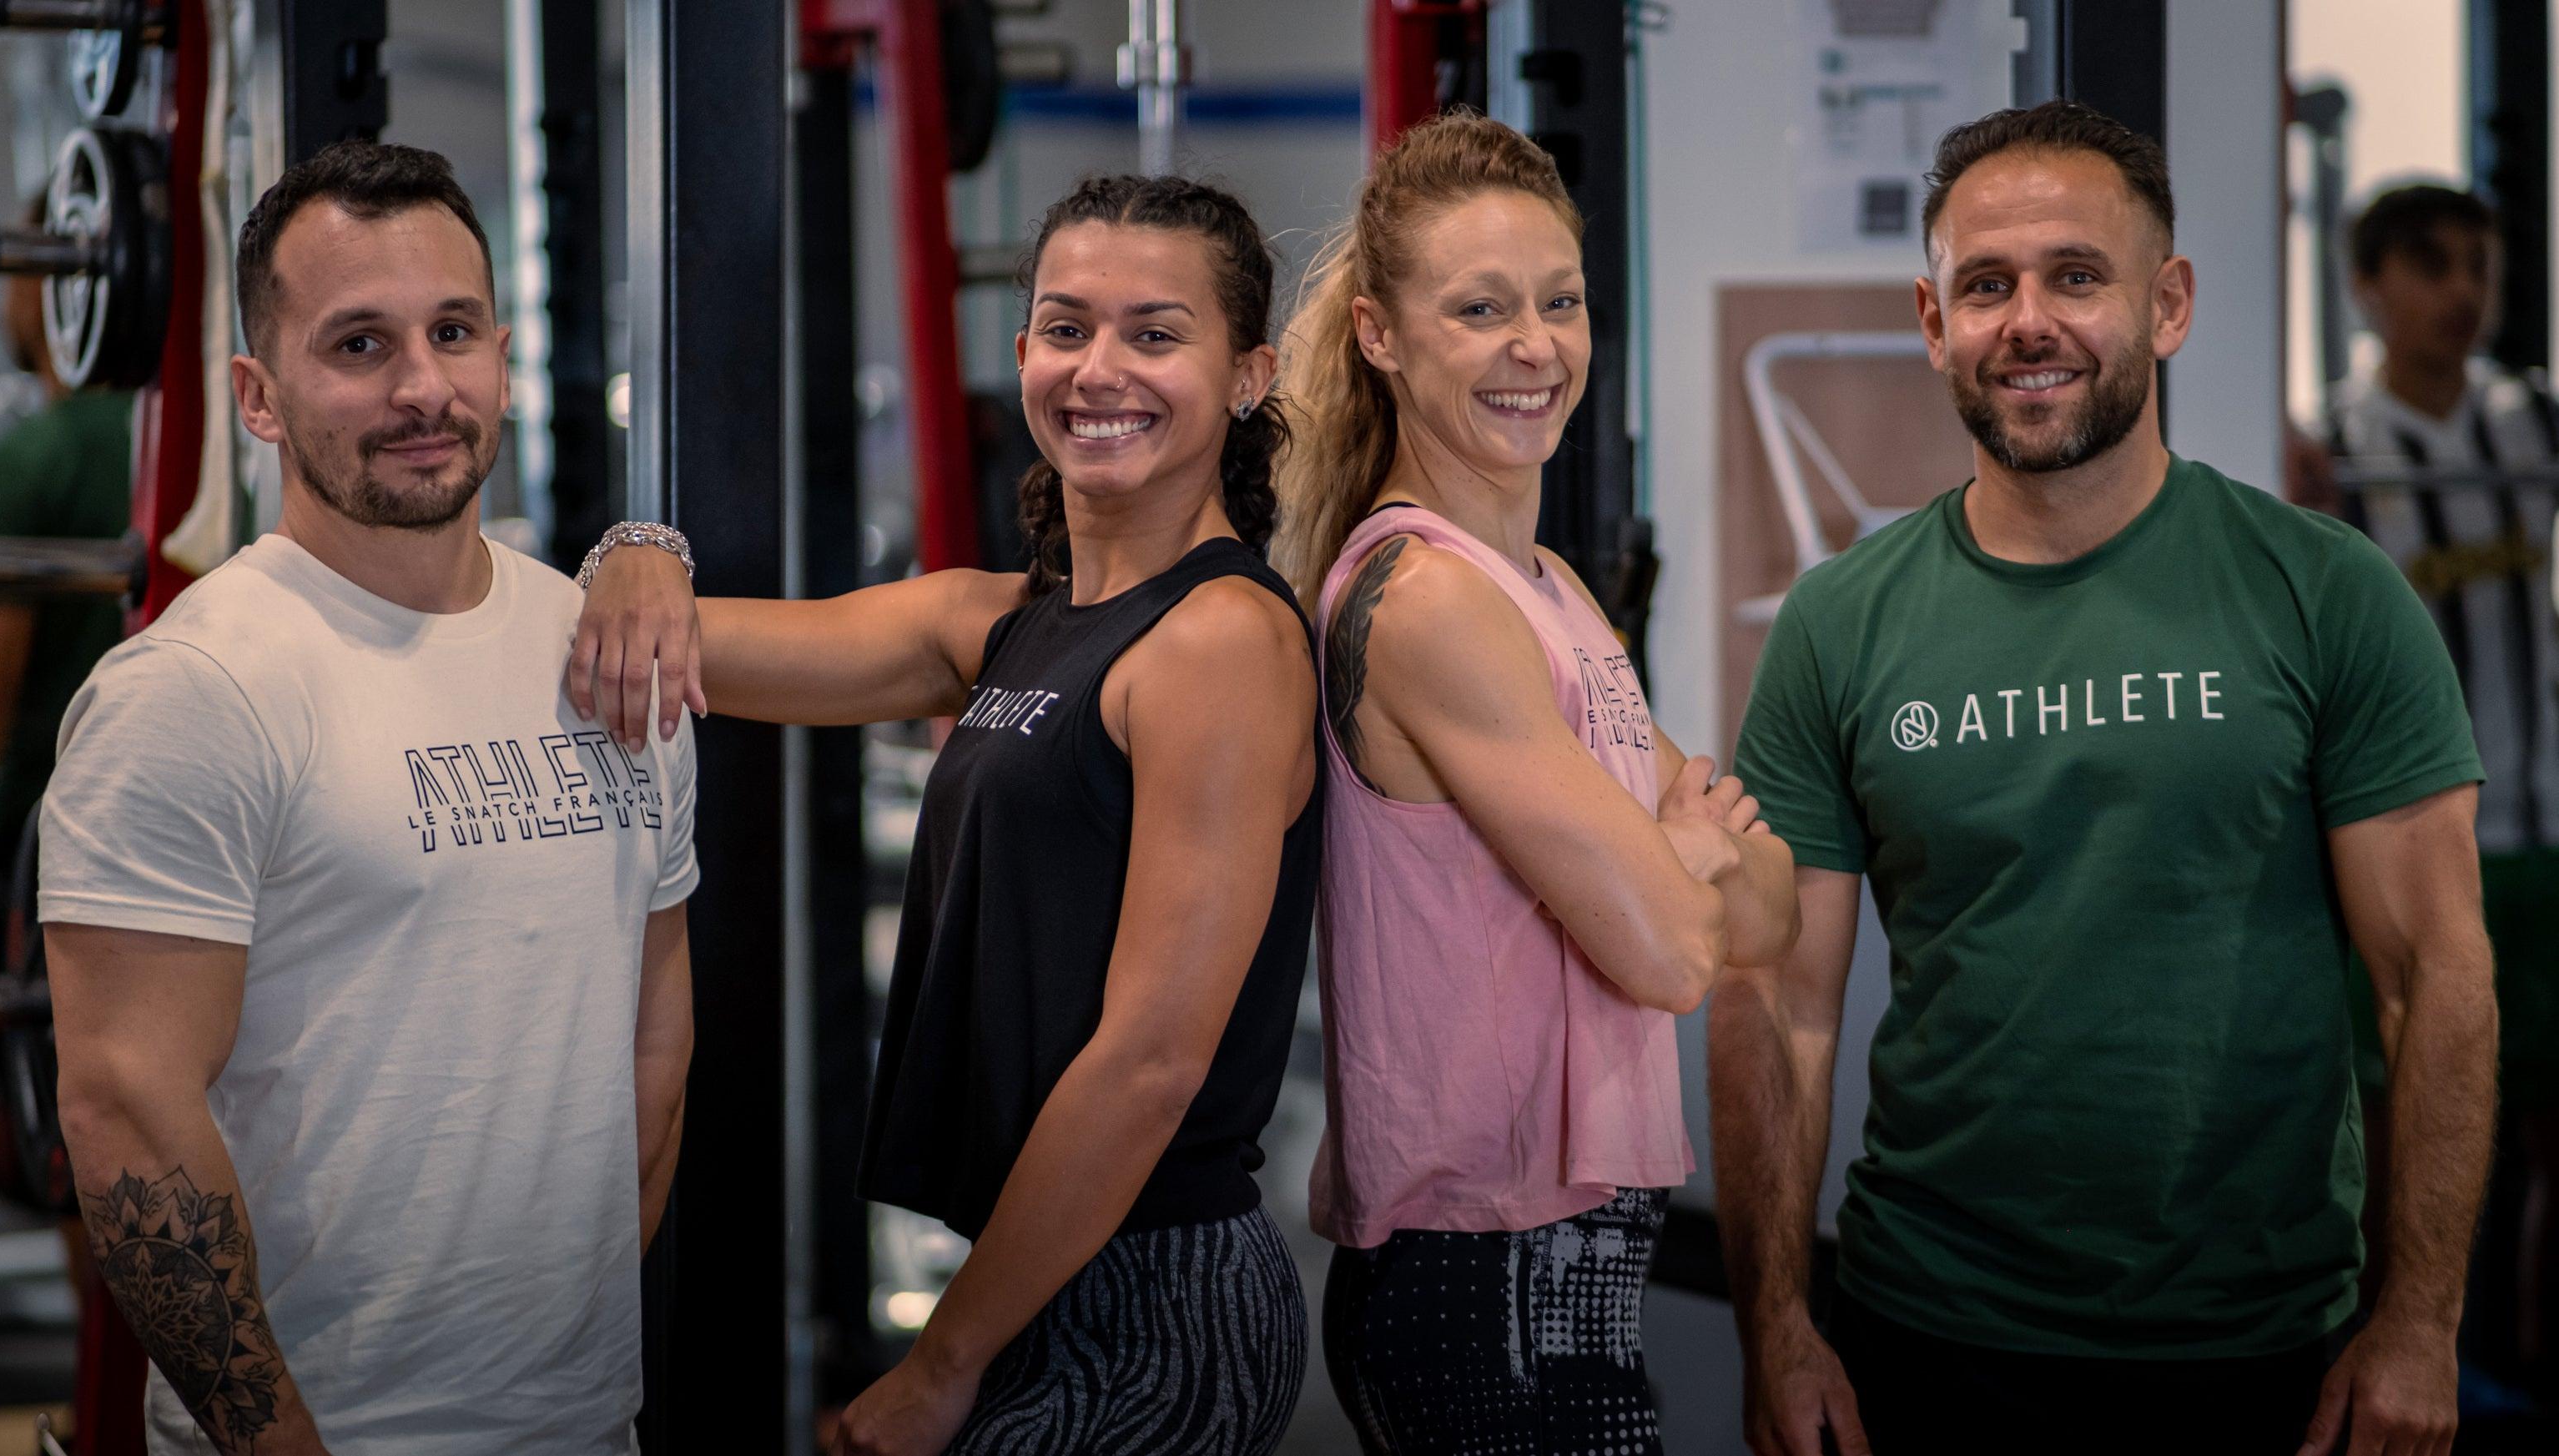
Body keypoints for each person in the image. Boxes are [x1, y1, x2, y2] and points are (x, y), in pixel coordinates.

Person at [1716, 100, 2497, 1456]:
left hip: (2268, 1352)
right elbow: (1779, 1003)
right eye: (1985, 285)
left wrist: (2420, 1322)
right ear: (1930, 320)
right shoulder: (1837, 627)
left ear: (2168, 303)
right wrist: (1776, 1327)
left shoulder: (2326, 596)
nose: (2029, 321)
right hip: (1934, 1338)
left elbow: (2431, 976)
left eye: (2076, 276)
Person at [568, 173, 1320, 1456]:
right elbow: (685, 651)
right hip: (1044, 1265)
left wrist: (942, 1362)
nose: (1101, 370)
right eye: (1068, 327)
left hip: (1157, 1291)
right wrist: (632, 549)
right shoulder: (1006, 625)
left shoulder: (1219, 642)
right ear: (1020, 349)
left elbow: (1151, 1065)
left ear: (1246, 376)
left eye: (1156, 334)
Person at [41, 142, 698, 1455]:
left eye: (453, 331)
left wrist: (547, 1368)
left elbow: (651, 1039)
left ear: (501, 354)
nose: (422, 387)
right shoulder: (194, 689)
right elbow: (124, 1106)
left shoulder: (605, 650)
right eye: (357, 345)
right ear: (260, 396)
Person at [1274, 110, 1796, 1455]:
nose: (1535, 347)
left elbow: (1772, 913)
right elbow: (1678, 953)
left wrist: (1672, 865)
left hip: (1564, 1263)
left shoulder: (1549, 590)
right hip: (1475, 1276)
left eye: (1557, 302)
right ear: (1381, 336)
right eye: (1480, 308)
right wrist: (1673, 854)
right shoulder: (1430, 598)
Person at [2325, 181, 2559, 1380]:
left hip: (2547, 832)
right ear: (2367, 285)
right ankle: (2409, 1376)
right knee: (2399, 1130)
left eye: (2478, 262)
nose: (2461, 291)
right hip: (2410, 842)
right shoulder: (2329, 447)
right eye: (2429, 264)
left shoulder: (2534, 422)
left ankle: (2525, 1372)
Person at [0, 195, 134, 981]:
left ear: (50, 282)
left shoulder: (22, 459)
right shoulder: (208, 458)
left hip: (50, 854)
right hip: (182, 842)